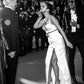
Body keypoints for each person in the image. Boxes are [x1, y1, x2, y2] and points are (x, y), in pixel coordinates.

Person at [33, 1, 73, 84]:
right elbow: (35, 26)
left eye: (43, 6)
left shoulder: (52, 18)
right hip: (51, 43)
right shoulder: (44, 20)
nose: (41, 7)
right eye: (41, 6)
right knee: (49, 62)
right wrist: (39, 17)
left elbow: (60, 29)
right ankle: (57, 80)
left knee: (55, 62)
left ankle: (58, 81)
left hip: (58, 40)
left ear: (47, 9)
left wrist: (67, 41)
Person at [64, 0, 84, 84]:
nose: (70, 4)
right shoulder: (66, 13)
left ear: (76, 2)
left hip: (80, 37)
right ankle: (72, 78)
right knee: (70, 59)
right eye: (68, 2)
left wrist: (78, 25)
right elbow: (64, 25)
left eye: (72, 1)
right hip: (70, 37)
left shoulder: (82, 11)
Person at [0, 0, 20, 84]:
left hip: (2, 48)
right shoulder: (12, 14)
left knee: (4, 71)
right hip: (10, 48)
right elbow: (13, 34)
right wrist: (12, 50)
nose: (16, 4)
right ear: (10, 2)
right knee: (11, 72)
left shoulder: (1, 12)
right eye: (14, 2)